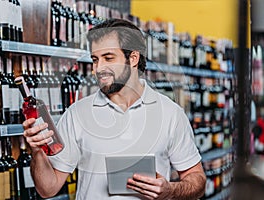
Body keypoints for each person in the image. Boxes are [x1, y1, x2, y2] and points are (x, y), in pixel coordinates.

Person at [22, 18, 206, 199]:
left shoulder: (170, 113)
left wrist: (170, 191)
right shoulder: (77, 114)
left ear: (133, 58)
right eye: (95, 59)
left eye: (108, 58)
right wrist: (37, 151)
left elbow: (197, 180)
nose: (98, 68)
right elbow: (48, 189)